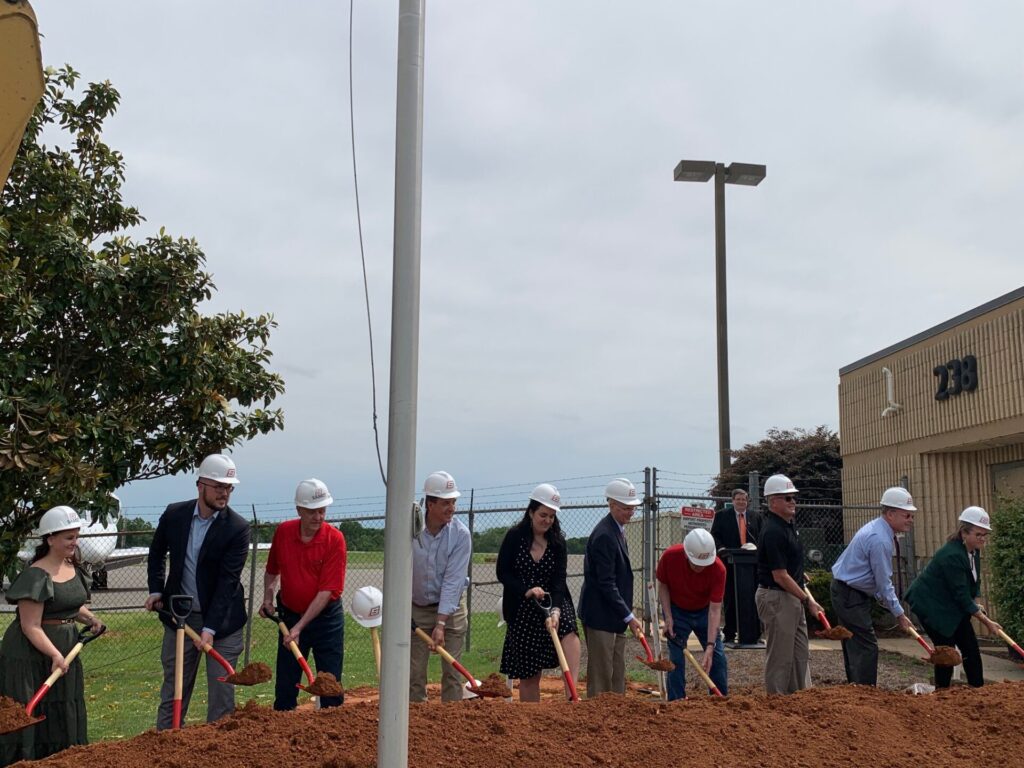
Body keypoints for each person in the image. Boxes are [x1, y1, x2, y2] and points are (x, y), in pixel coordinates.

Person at [145, 454, 250, 729]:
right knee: (174, 690)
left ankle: (217, 754)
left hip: (223, 624)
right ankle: (165, 750)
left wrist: (211, 629)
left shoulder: (237, 528)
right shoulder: (175, 515)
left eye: (229, 488)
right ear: (200, 485)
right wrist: (156, 590)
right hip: (179, 618)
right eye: (218, 486)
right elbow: (156, 553)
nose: (224, 493)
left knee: (222, 696)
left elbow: (228, 582)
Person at [1, 506, 104, 764]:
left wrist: (90, 618)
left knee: (63, 706)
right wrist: (56, 655)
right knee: (32, 711)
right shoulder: (36, 575)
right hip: (30, 656)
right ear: (50, 539)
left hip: (65, 650)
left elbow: (68, 604)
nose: (75, 542)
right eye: (69, 537)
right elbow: (30, 625)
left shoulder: (71, 566)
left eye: (76, 536)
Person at [261, 478, 347, 710]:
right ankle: (282, 734)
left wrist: (299, 628)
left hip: (325, 620)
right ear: (299, 509)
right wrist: (268, 597)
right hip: (289, 614)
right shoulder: (284, 532)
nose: (318, 517)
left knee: (329, 686)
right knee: (286, 688)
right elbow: (272, 570)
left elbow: (326, 591)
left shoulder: (334, 540)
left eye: (322, 511)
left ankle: (332, 735)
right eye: (312, 512)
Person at [496, 483, 581, 701]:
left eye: (551, 516)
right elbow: (503, 572)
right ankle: (530, 716)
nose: (547, 520)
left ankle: (572, 695)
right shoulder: (515, 537)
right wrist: (526, 590)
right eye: (543, 515)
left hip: (552, 599)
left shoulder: (558, 542)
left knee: (569, 631)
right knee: (530, 674)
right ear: (531, 512)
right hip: (522, 605)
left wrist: (555, 611)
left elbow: (559, 580)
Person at [905, 506, 1002, 689]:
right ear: (964, 533)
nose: (982, 539)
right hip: (932, 606)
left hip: (950, 604)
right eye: (978, 534)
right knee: (947, 652)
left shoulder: (973, 550)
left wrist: (977, 604)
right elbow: (960, 594)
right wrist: (987, 622)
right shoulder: (952, 555)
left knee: (970, 649)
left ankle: (978, 692)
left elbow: (973, 582)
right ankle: (942, 694)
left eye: (985, 535)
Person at [830, 486, 916, 685]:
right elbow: (884, 583)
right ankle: (866, 694)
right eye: (907, 515)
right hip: (849, 593)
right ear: (890, 513)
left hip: (850, 591)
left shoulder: (879, 530)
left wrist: (884, 601)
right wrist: (900, 615)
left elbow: (877, 582)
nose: (911, 520)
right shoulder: (879, 539)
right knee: (866, 645)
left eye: (911, 515)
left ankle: (857, 689)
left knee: (855, 642)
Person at [754, 473, 822, 694]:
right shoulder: (773, 531)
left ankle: (797, 698)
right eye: (787, 498)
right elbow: (779, 575)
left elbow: (788, 568)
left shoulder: (788, 526)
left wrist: (800, 576)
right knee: (781, 656)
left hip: (791, 596)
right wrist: (807, 600)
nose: (793, 502)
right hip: (777, 597)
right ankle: (777, 701)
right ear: (773, 501)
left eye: (793, 497)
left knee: (799, 653)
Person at [410, 470, 472, 702]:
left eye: (453, 502)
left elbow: (453, 581)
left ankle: (451, 727)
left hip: (452, 608)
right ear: (430, 504)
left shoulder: (460, 535)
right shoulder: (410, 529)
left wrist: (441, 622)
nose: (452, 508)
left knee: (452, 673)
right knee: (414, 674)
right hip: (418, 607)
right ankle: (415, 725)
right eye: (446, 502)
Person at [578, 477, 643, 697]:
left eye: (633, 508)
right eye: (626, 508)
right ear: (612, 505)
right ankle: (599, 721)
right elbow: (606, 583)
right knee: (602, 674)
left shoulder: (617, 530)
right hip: (601, 616)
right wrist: (629, 616)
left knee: (617, 671)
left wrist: (625, 615)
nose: (631, 512)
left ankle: (618, 715)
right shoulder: (605, 535)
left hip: (614, 616)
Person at [657, 528, 728, 700]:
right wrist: (668, 617)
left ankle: (719, 703)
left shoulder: (718, 569)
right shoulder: (670, 556)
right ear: (686, 555)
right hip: (677, 610)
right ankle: (676, 702)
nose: (700, 568)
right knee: (676, 659)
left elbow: (715, 609)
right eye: (696, 563)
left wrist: (710, 645)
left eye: (705, 564)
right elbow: (663, 585)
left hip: (704, 612)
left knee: (717, 658)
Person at [710, 488, 762, 644]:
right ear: (732, 501)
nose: (741, 502)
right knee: (730, 598)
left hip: (751, 565)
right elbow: (715, 536)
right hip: (730, 563)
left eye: (744, 499)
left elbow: (762, 536)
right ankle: (730, 633)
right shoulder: (721, 516)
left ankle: (754, 633)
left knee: (753, 597)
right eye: (738, 499)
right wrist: (721, 549)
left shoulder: (755, 517)